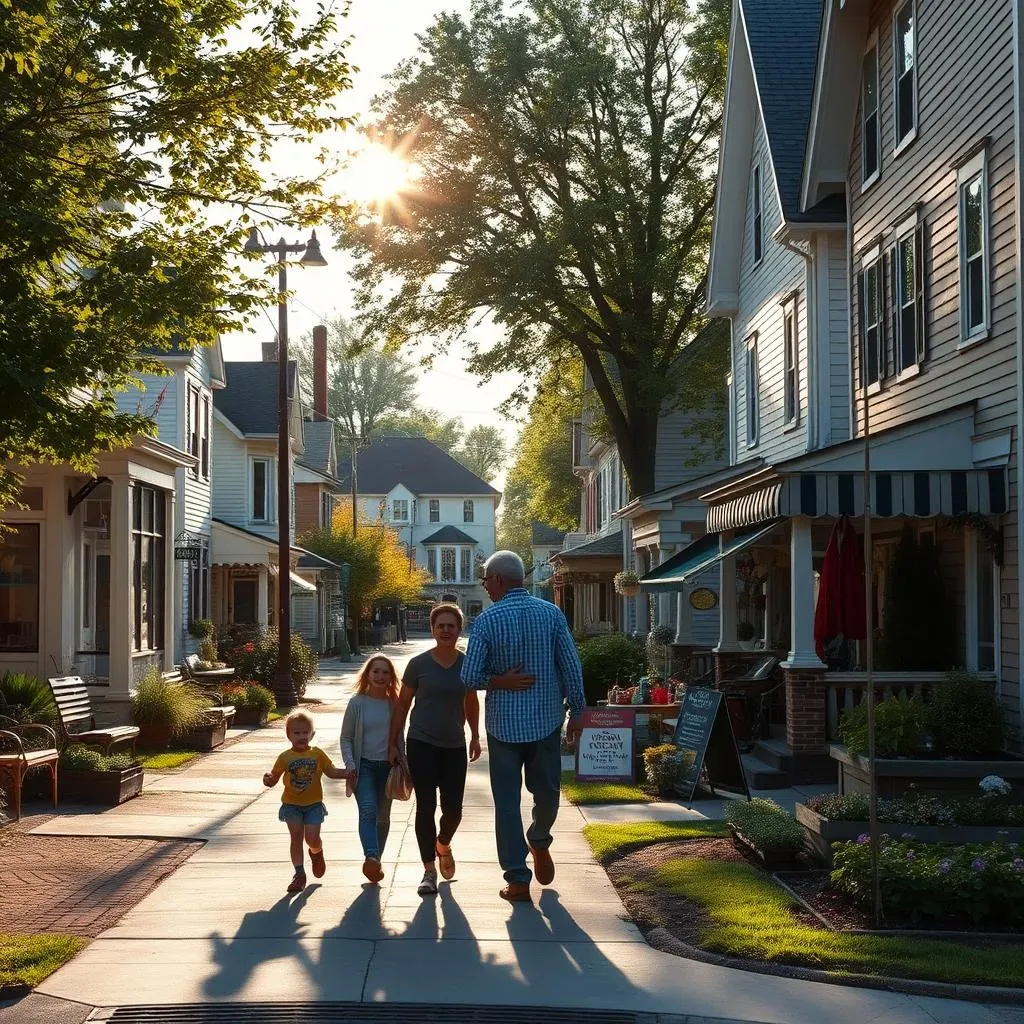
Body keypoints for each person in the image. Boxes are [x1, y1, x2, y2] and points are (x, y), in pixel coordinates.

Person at [461, 550, 585, 903]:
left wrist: (499, 682)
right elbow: (570, 664)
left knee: (506, 802)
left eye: (486, 579)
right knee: (547, 793)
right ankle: (540, 838)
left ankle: (517, 877)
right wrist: (577, 711)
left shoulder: (486, 621)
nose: (484, 586)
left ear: (499, 580)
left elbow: (469, 677)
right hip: (546, 721)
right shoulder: (552, 614)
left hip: (503, 728)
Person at [388, 603, 482, 896]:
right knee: (425, 807)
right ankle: (429, 871)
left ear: (459, 630)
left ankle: (443, 844)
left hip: (454, 745)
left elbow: (471, 701)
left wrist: (475, 735)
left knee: (453, 810)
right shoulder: (418, 665)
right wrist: (395, 742)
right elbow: (402, 705)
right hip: (421, 743)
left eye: (450, 626)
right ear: (432, 629)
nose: (445, 630)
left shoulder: (467, 663)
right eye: (440, 625)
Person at [263, 710, 350, 893]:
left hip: (313, 806)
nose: (301, 736)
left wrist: (348, 773)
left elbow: (331, 772)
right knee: (296, 837)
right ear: (288, 735)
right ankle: (299, 874)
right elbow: (275, 777)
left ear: (312, 734)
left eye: (305, 732)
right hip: (291, 805)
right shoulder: (285, 757)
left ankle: (316, 851)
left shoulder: (317, 754)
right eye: (296, 733)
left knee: (311, 838)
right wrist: (269, 778)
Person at [341, 654, 405, 884]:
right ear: (367, 674)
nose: (380, 676)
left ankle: (376, 861)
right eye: (375, 671)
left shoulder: (394, 704)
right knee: (368, 810)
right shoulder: (357, 703)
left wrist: (404, 764)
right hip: (363, 766)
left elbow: (400, 738)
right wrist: (350, 763)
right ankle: (371, 856)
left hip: (388, 769)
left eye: (385, 672)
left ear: (391, 677)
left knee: (383, 818)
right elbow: (346, 738)